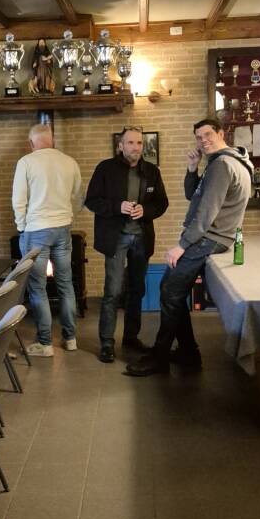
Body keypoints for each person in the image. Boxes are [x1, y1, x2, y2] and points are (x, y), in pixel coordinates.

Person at [127, 117, 252, 376]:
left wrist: (182, 245)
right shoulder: (230, 161)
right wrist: (192, 169)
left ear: (221, 133)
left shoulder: (222, 165)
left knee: (169, 290)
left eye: (208, 134)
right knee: (172, 291)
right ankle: (187, 352)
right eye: (198, 137)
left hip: (208, 238)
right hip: (217, 237)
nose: (203, 140)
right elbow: (192, 195)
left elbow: (206, 213)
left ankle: (161, 357)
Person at [85, 126, 169, 363]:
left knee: (137, 290)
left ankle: (131, 337)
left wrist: (145, 210)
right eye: (130, 143)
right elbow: (91, 201)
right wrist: (117, 206)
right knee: (112, 292)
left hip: (142, 238)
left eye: (139, 143)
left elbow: (161, 203)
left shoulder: (151, 171)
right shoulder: (105, 169)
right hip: (116, 238)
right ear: (120, 146)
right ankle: (107, 342)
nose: (135, 147)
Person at [12, 122, 83, 357]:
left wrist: (22, 227)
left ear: (31, 143)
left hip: (36, 230)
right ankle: (70, 339)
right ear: (52, 140)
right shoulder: (69, 162)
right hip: (63, 228)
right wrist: (68, 216)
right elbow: (78, 197)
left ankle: (45, 343)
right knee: (66, 284)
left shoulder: (26, 162)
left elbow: (18, 199)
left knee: (37, 288)